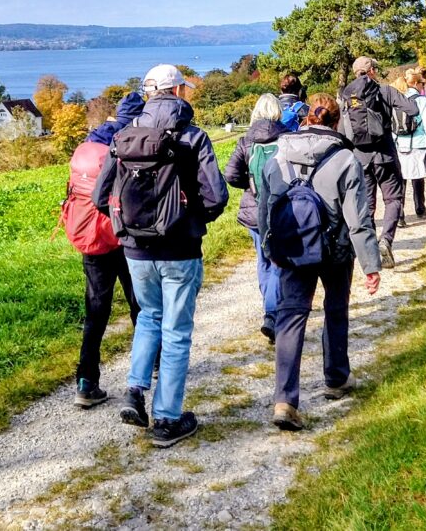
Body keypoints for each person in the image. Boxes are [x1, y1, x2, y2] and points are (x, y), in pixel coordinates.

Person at [93, 64, 228, 448]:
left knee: (149, 317)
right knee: (177, 331)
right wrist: (192, 219)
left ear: (149, 94)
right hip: (180, 248)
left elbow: (100, 198)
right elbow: (216, 196)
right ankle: (168, 419)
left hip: (135, 250)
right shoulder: (194, 137)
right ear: (178, 92)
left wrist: (130, 225)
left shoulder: (123, 136)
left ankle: (135, 392)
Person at [258, 94, 381, 431]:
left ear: (306, 118)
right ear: (337, 121)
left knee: (290, 317)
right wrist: (371, 265)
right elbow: (358, 220)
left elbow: (265, 209)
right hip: (335, 250)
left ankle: (284, 399)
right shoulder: (345, 159)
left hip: (293, 246)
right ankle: (336, 377)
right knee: (335, 308)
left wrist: (270, 249)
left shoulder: (278, 156)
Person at [68, 92, 144, 408]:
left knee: (96, 313)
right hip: (124, 236)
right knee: (140, 305)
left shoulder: (90, 142)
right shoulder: (131, 140)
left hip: (92, 238)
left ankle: (87, 382)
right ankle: (149, 367)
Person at [339, 57, 419, 269]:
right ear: (372, 71)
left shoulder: (347, 95)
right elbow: (413, 110)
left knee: (367, 203)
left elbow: (341, 129)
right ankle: (386, 241)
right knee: (393, 198)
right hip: (385, 154)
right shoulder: (385, 91)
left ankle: (371, 248)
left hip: (360, 157)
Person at [224, 94, 286, 342]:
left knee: (263, 261)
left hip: (254, 209)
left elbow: (230, 175)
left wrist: (250, 187)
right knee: (280, 261)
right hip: (281, 208)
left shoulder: (245, 140)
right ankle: (273, 312)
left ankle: (268, 308)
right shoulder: (287, 137)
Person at [393, 69, 426, 221]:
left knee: (401, 179)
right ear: (416, 84)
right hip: (417, 142)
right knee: (417, 176)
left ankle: (400, 213)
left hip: (400, 143)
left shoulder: (397, 99)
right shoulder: (422, 101)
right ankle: (420, 207)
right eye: (421, 83)